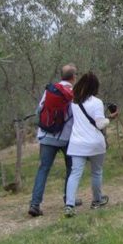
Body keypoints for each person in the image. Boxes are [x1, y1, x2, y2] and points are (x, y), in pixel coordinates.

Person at [28, 63, 77, 218]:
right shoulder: (73, 93)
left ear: (61, 76)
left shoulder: (50, 90)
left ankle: (35, 204)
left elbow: (39, 110)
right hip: (66, 137)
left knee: (43, 169)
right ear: (74, 77)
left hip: (46, 136)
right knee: (71, 169)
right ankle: (68, 199)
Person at [64, 72, 110, 217]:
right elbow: (100, 124)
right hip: (95, 143)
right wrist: (109, 119)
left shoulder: (74, 102)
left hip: (77, 143)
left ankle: (69, 205)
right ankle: (97, 200)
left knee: (75, 174)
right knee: (96, 172)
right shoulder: (97, 102)